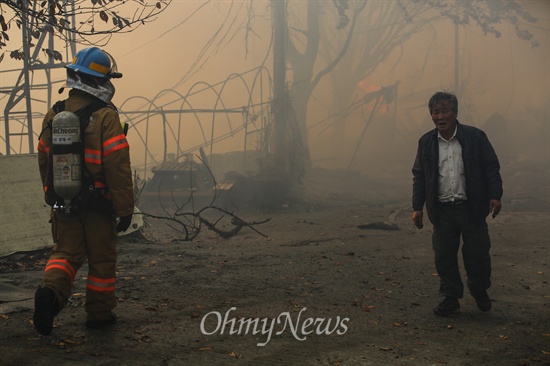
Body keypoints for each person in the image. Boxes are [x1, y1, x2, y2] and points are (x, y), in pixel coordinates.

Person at [34, 47, 134, 335]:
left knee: (65, 254)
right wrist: (125, 208)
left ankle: (50, 295)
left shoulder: (55, 114)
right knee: (101, 260)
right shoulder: (105, 116)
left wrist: (50, 193)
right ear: (100, 82)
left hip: (64, 202)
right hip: (99, 206)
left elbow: (43, 156)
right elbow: (117, 166)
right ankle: (99, 315)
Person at [411, 91, 503, 316]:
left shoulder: (475, 137)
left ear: (455, 113)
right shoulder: (426, 142)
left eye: (444, 111)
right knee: (443, 257)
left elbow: (491, 168)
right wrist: (417, 207)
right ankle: (450, 298)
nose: (439, 116)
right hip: (442, 211)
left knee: (478, 255)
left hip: (471, 208)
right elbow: (420, 176)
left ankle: (479, 289)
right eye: (435, 112)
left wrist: (495, 195)